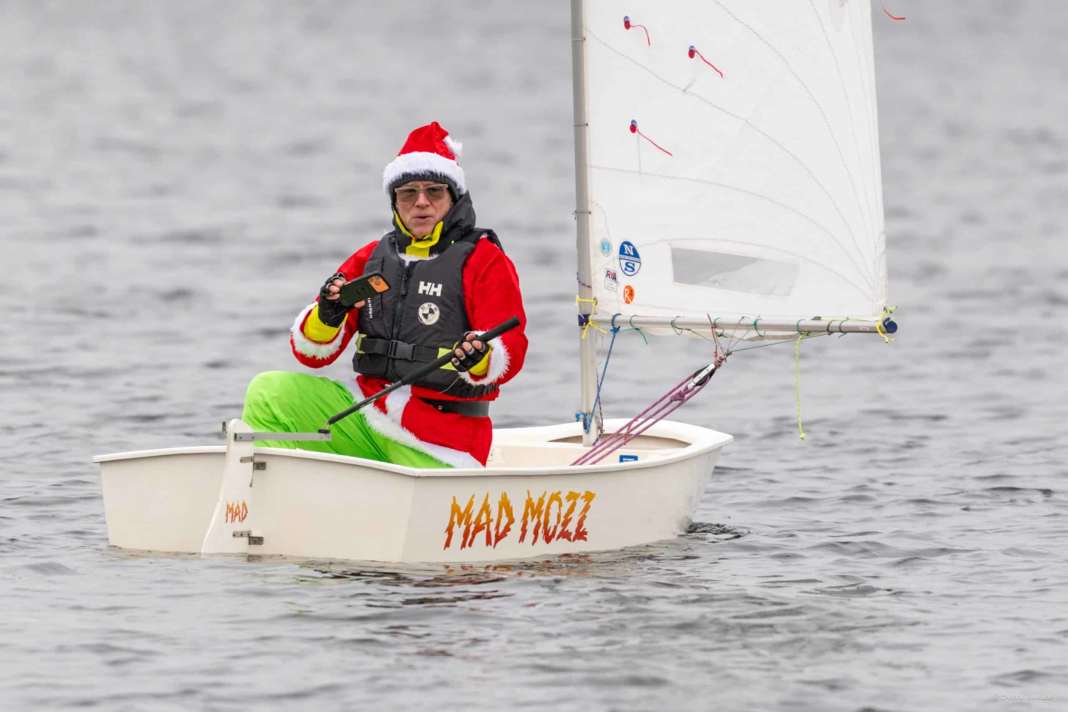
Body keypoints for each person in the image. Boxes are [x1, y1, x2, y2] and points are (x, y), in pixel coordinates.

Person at [242, 121, 527, 468]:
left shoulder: (484, 261)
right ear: (395, 201)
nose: (421, 203)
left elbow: (510, 351)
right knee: (268, 393)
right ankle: (280, 498)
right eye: (408, 193)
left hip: (443, 438)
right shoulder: (371, 258)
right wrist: (328, 315)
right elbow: (312, 355)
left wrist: (479, 357)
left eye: (434, 191)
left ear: (453, 198)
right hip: (367, 415)